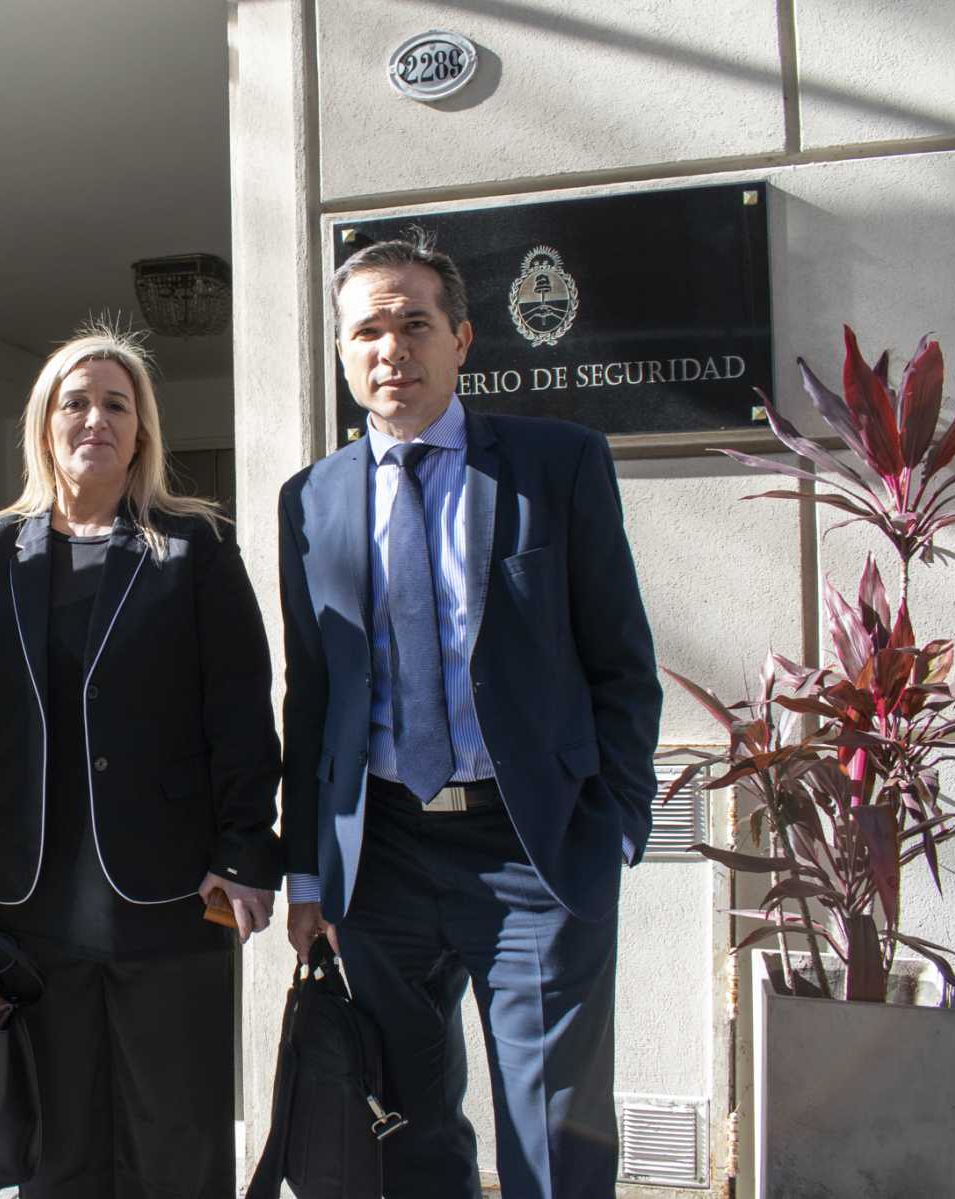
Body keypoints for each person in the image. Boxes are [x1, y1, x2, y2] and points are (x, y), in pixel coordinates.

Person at [277, 233, 662, 1199]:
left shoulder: (556, 464)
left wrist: (615, 821)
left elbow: (622, 663)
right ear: (342, 351)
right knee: (404, 1127)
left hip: (528, 845)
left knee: (552, 1134)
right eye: (367, 329)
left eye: (414, 323)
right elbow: (313, 697)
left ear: (463, 339)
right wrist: (308, 868)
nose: (390, 348)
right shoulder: (310, 501)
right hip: (383, 858)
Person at [0, 325, 282, 1199]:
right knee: (58, 1145)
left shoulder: (195, 548)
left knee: (176, 1135)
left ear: (142, 431)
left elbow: (239, 707)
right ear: (44, 425)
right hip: (25, 898)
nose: (95, 417)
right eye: (75, 402)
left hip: (170, 896)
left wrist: (245, 849)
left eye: (116, 404)